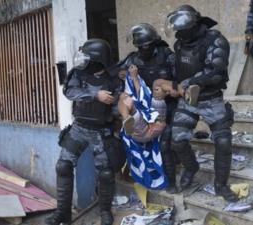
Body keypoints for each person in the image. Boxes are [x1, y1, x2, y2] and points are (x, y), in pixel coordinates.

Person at [165, 4, 238, 202]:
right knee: (177, 140)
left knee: (223, 142)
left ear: (192, 25)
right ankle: (191, 167)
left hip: (211, 98)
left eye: (181, 29)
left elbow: (215, 70)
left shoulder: (215, 40)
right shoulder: (180, 44)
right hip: (187, 100)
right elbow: (178, 71)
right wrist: (171, 85)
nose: (178, 33)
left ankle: (221, 185)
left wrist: (189, 82)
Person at [46, 39, 123, 225]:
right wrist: (96, 95)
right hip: (79, 128)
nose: (82, 59)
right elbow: (70, 92)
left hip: (101, 131)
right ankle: (62, 213)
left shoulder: (113, 79)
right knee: (63, 166)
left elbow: (118, 104)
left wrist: (114, 111)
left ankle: (104, 211)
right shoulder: (77, 74)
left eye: (87, 56)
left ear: (98, 59)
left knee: (105, 173)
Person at [117, 23, 180, 193]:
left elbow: (179, 81)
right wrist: (126, 76)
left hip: (168, 106)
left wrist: (169, 92)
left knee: (165, 142)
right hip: (145, 107)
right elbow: (118, 76)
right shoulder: (133, 59)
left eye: (147, 45)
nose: (144, 49)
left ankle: (171, 181)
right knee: (127, 108)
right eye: (140, 46)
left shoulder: (167, 56)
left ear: (154, 42)